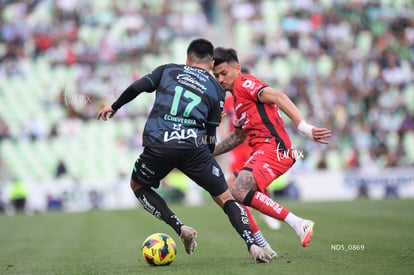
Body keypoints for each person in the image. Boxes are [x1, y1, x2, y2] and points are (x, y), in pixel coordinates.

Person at [97, 38, 272, 263]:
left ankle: (180, 227)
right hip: (194, 148)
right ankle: (253, 246)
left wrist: (115, 105)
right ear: (211, 65)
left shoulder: (167, 70)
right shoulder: (216, 89)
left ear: (187, 59)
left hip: (159, 142)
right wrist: (208, 160)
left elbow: (137, 87)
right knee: (225, 198)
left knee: (138, 186)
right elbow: (211, 132)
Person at [212, 47, 332, 248]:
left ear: (237, 69)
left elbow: (279, 97)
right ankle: (262, 246)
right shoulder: (237, 99)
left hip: (275, 149)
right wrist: (210, 151)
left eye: (224, 73)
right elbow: (238, 136)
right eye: (216, 76)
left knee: (240, 189)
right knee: (226, 190)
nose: (220, 79)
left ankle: (299, 223)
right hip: (262, 150)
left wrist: (303, 127)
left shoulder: (244, 83)